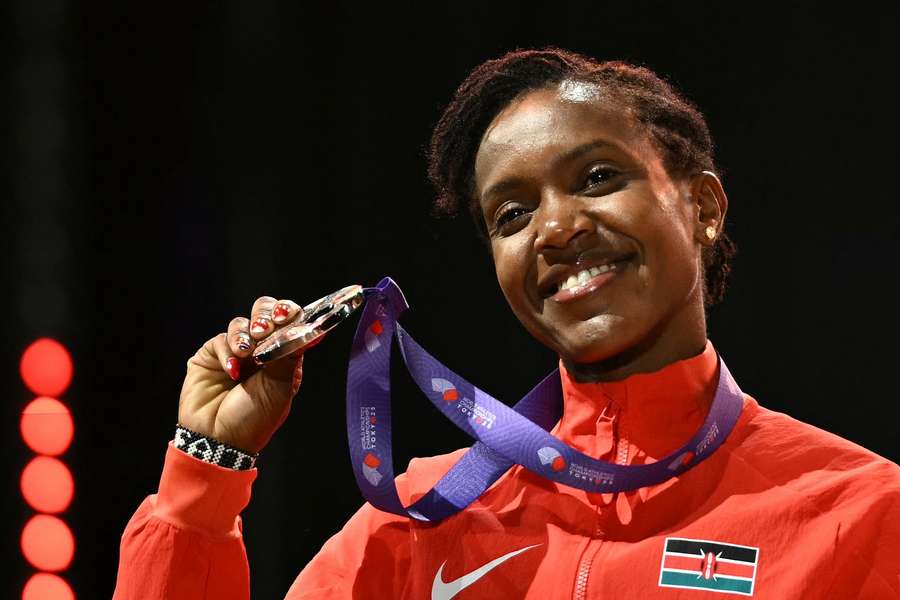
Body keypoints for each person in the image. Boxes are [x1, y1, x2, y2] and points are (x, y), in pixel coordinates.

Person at [113, 48, 900, 599]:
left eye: (598, 177)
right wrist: (203, 482)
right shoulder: (415, 524)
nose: (555, 228)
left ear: (702, 207)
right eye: (512, 214)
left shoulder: (861, 513)